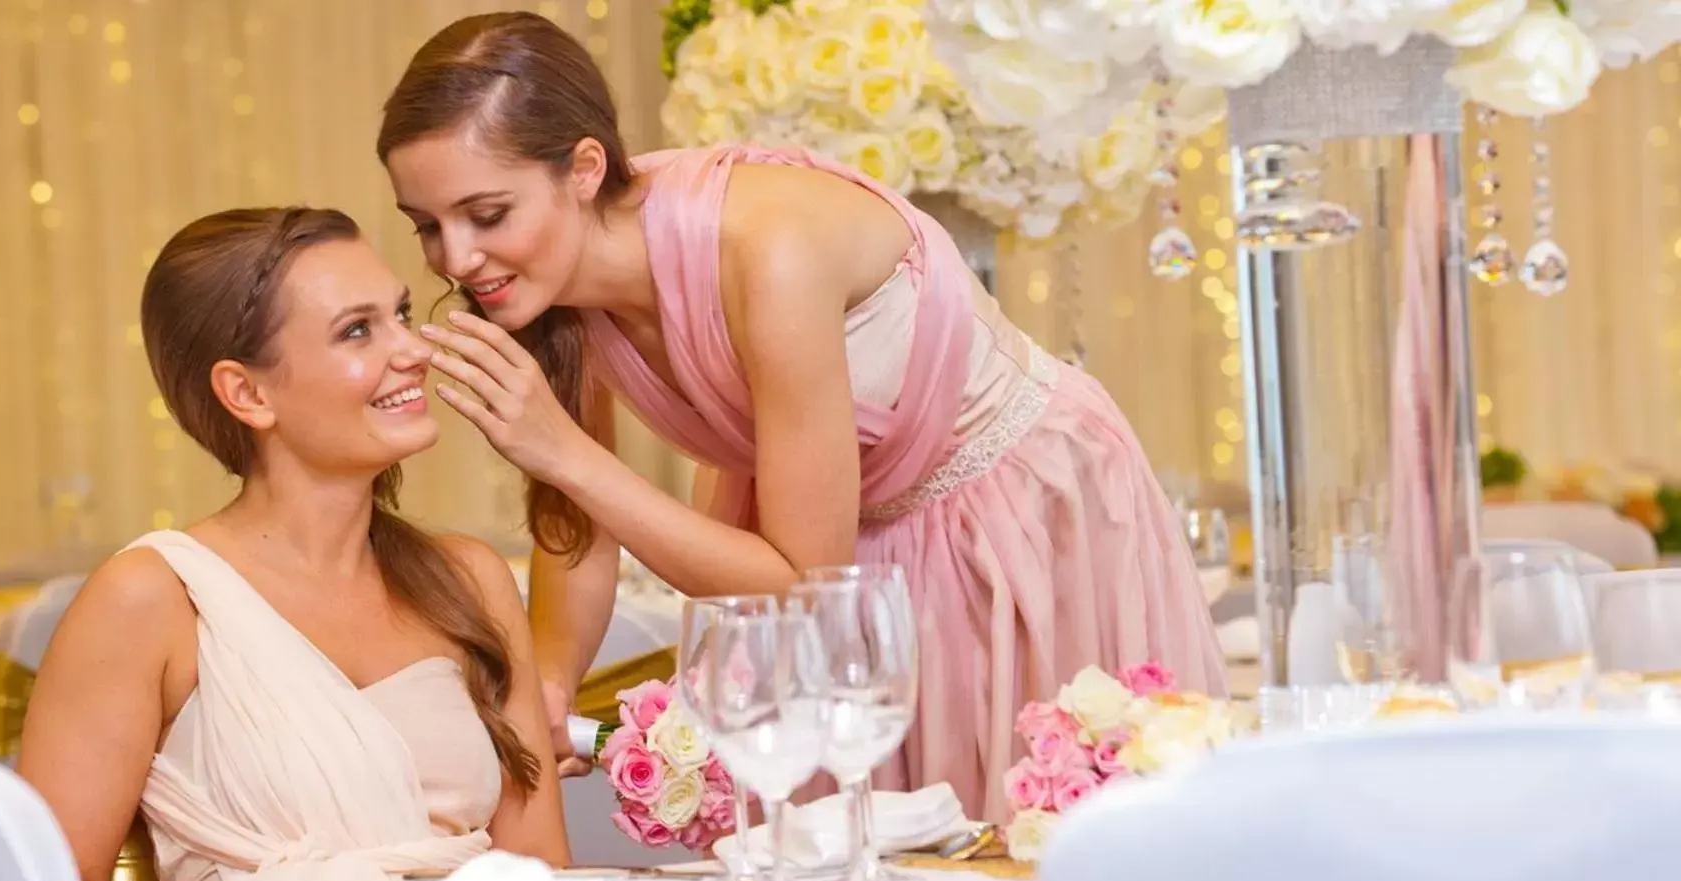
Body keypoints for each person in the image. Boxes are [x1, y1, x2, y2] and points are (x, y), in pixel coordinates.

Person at [379, 12, 1227, 822]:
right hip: (857, 561)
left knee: (1041, 842)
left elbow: (798, 589)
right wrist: (551, 685)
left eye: (488, 215)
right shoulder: (548, 288)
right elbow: (579, 521)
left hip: (1015, 517)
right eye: (427, 226)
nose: (459, 259)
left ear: (586, 167)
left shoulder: (767, 251)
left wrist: (565, 453)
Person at [16, 207, 568, 881]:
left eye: (399, 313)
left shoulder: (469, 580)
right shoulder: (152, 598)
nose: (413, 350)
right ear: (247, 393)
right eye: (358, 330)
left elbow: (544, 871)